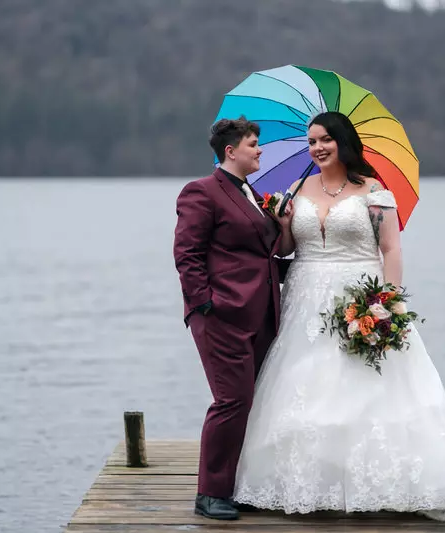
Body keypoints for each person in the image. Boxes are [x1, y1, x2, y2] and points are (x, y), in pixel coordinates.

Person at [233, 111, 445, 521]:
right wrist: (282, 224)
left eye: (326, 139)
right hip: (305, 298)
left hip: (359, 293)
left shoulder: (373, 191)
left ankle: (381, 483)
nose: (318, 148)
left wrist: (388, 301)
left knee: (366, 385)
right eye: (312, 141)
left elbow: (391, 250)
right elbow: (286, 248)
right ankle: (308, 483)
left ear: (343, 142)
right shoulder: (298, 188)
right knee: (302, 385)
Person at [173, 117, 293, 520]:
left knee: (252, 401)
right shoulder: (201, 192)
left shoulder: (252, 195)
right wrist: (205, 305)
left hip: (260, 313)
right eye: (254, 144)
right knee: (231, 401)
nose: (260, 150)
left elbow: (260, 255)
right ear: (231, 151)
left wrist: (282, 226)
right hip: (221, 315)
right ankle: (209, 494)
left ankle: (238, 485)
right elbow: (186, 255)